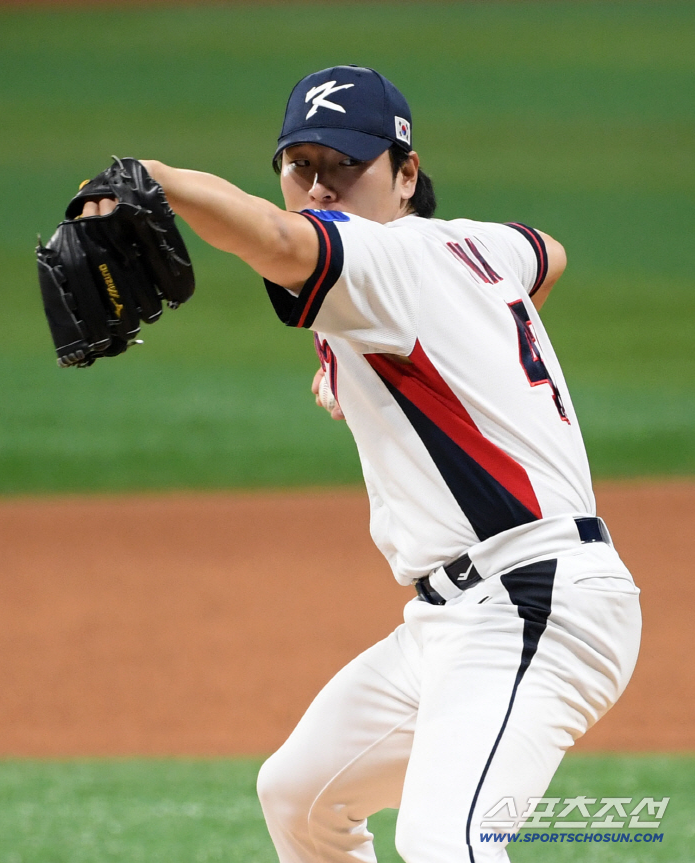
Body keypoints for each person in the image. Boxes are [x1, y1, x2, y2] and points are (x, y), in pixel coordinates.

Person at [83, 65, 641, 863]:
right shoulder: (473, 246)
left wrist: (158, 179)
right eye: (298, 165)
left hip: (533, 599)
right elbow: (546, 255)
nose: (317, 188)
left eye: (344, 166)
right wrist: (405, 360)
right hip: (457, 619)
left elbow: (275, 240)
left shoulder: (381, 260)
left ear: (406, 174)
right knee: (301, 797)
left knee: (446, 840)